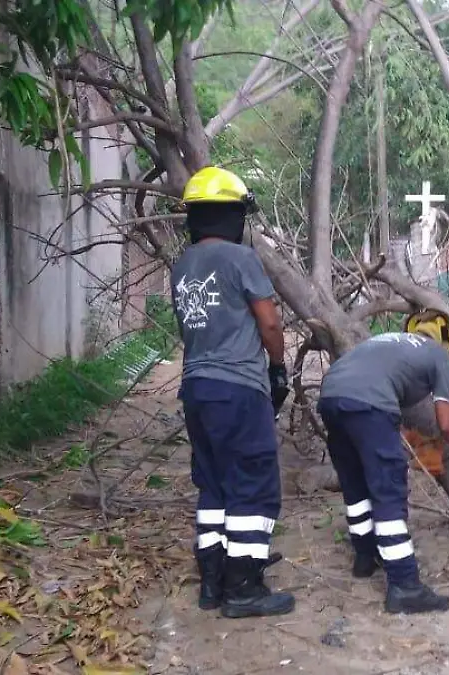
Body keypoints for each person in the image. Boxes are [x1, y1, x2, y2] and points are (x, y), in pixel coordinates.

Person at [170, 166, 295, 619]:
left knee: (214, 484)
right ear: (233, 215)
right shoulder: (241, 260)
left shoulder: (182, 266)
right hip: (239, 388)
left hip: (197, 389)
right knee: (253, 483)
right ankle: (244, 589)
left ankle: (213, 583)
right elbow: (270, 322)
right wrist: (278, 369)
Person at [316, 310, 449, 614]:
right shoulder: (441, 359)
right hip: (367, 401)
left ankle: (365, 557)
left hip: (331, 396)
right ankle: (404, 584)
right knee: (388, 487)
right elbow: (447, 424)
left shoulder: (387, 342)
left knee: (355, 483)